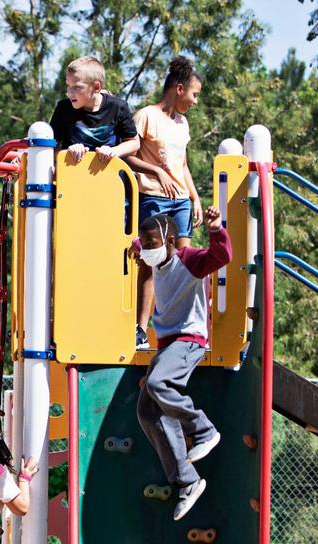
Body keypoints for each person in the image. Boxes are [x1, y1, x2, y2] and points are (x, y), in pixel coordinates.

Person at [135, 207, 230, 521]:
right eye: (144, 244)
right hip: (168, 345)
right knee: (146, 410)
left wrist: (216, 229)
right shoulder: (155, 260)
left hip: (190, 340)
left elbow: (222, 257)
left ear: (171, 241)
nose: (146, 249)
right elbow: (137, 246)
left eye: (152, 244)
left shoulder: (188, 259)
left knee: (159, 384)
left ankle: (203, 430)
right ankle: (187, 481)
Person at [127, 56, 205, 350]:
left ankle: (182, 328)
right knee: (152, 262)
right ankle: (140, 328)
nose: (195, 101)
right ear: (180, 88)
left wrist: (195, 198)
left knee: (184, 264)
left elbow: (182, 164)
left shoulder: (182, 123)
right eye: (194, 94)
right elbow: (129, 155)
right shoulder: (146, 115)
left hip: (180, 200)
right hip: (152, 197)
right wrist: (157, 171)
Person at [49, 56, 140, 165]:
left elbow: (134, 143)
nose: (69, 92)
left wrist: (113, 151)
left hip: (109, 178)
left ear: (96, 87)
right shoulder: (63, 109)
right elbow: (49, 149)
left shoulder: (118, 107)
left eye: (77, 87)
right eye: (68, 86)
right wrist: (67, 151)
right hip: (73, 177)